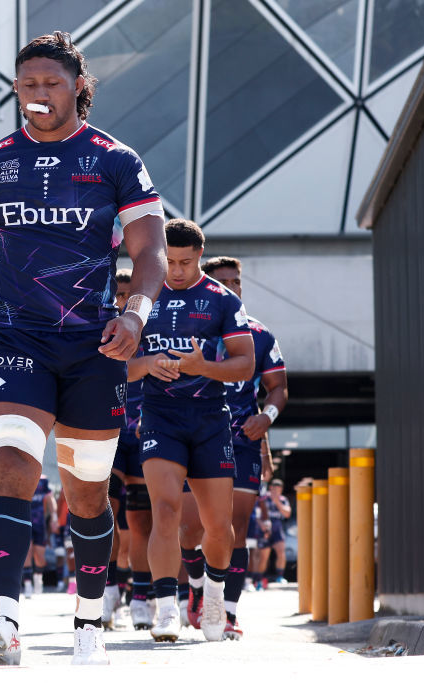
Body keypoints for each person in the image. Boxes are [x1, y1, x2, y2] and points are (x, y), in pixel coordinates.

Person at [0, 30, 167, 666]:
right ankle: (5, 620)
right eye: (27, 85)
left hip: (96, 347)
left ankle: (88, 622)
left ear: (79, 88)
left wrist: (136, 316)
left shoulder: (116, 160)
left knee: (86, 494)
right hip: (16, 339)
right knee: (11, 468)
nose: (37, 95)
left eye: (51, 84)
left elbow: (149, 251)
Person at [129, 218, 254, 643]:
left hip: (209, 420)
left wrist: (204, 368)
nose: (176, 271)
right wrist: (146, 364)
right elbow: (112, 365)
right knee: (165, 511)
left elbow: (245, 364)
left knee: (216, 525)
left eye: (185, 262)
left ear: (200, 256)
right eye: (170, 262)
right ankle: (167, 611)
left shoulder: (222, 300)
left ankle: (214, 598)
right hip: (160, 416)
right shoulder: (142, 297)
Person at [179, 255, 288, 639]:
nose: (232, 286)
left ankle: (226, 612)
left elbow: (278, 389)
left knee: (235, 527)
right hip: (197, 435)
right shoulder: (188, 326)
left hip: (242, 441)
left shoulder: (259, 334)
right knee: (190, 528)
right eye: (223, 280)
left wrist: (267, 418)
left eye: (236, 281)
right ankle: (195, 587)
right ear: (210, 284)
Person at [103, 268, 155, 631]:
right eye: (118, 295)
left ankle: (140, 596)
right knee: (102, 510)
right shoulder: (100, 326)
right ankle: (106, 591)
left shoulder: (153, 331)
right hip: (107, 429)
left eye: (128, 295)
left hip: (147, 429)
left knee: (141, 525)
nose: (122, 302)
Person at [23, 476, 56, 597]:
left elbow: (50, 499)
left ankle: (38, 578)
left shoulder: (43, 480)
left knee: (40, 556)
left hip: (40, 523)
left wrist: (54, 517)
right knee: (27, 552)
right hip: (24, 521)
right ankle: (27, 585)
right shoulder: (21, 476)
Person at [256, 479, 292, 586]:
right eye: (275, 489)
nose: (277, 492)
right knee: (263, 557)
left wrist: (278, 503)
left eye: (279, 490)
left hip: (277, 529)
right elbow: (256, 513)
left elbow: (287, 514)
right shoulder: (264, 499)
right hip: (265, 529)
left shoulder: (283, 499)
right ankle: (259, 580)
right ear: (270, 488)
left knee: (281, 551)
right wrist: (261, 525)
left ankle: (280, 576)